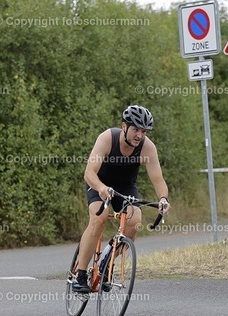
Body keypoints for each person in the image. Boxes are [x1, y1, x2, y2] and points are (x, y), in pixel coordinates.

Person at [72, 105, 171, 292]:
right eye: (136, 129)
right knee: (99, 219)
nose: (139, 135)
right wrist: (101, 188)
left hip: (125, 187)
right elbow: (89, 172)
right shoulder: (107, 138)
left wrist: (163, 199)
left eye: (143, 131)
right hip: (99, 183)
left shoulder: (147, 147)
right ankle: (81, 274)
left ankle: (107, 263)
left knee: (135, 221)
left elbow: (158, 179)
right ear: (124, 127)